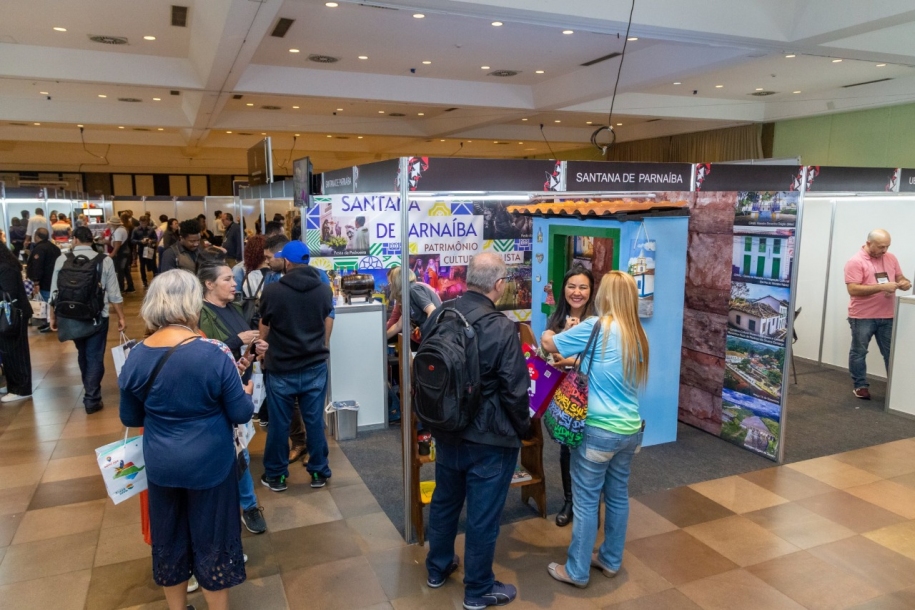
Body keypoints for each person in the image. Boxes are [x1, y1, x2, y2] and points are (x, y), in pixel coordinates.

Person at [119, 270, 252, 610]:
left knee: (170, 539)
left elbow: (130, 418)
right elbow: (240, 412)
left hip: (161, 464)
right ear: (192, 303)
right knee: (214, 540)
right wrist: (245, 391)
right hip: (211, 463)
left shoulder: (135, 354)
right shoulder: (214, 352)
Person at [424, 253, 530, 609]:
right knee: (483, 516)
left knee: (445, 502)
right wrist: (524, 429)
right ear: (499, 285)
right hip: (489, 437)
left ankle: (437, 568)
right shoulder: (501, 327)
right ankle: (478, 589)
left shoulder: (441, 313)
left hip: (446, 426)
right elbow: (515, 389)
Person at [541, 271, 649, 588]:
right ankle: (610, 560)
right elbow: (599, 367)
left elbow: (549, 342)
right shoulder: (638, 334)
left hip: (598, 430)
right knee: (617, 497)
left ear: (605, 295)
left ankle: (576, 571)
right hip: (631, 430)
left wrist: (563, 332)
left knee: (586, 502)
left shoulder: (595, 326)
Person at [197, 264, 269, 536]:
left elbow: (240, 346)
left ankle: (244, 505)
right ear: (209, 284)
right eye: (226, 279)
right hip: (219, 392)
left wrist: (255, 347)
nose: (233, 283)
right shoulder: (201, 314)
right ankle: (245, 506)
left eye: (232, 278)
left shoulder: (236, 308)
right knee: (239, 452)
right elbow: (205, 353)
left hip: (240, 385)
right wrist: (235, 338)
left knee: (241, 447)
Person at [258, 240, 333, 491]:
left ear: (287, 263)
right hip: (314, 366)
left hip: (281, 368)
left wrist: (260, 349)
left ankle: (277, 476)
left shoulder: (272, 291)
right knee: (314, 421)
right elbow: (325, 321)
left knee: (279, 424)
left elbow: (265, 325)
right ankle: (319, 473)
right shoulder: (324, 290)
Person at [48, 227, 126, 413]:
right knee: (94, 356)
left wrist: (52, 316)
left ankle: (90, 390)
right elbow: (114, 293)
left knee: (82, 353)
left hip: (70, 316)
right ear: (92, 240)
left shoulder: (62, 259)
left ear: (75, 239)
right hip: (97, 317)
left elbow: (53, 292)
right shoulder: (104, 260)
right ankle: (91, 398)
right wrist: (121, 317)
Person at [544, 266, 596, 527]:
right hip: (564, 394)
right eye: (571, 286)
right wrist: (562, 335)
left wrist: (567, 358)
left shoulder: (597, 321)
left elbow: (594, 360)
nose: (576, 292)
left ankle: (591, 503)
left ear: (591, 291)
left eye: (583, 287)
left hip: (590, 394)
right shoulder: (557, 319)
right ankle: (569, 500)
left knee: (588, 449)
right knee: (566, 447)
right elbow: (550, 356)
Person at [844, 229, 912, 399]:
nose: (884, 250)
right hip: (862, 316)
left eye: (887, 246)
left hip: (887, 315)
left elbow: (900, 276)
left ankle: (896, 386)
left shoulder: (891, 258)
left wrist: (904, 283)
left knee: (891, 353)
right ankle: (860, 386)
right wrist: (882, 287)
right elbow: (853, 289)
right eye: (881, 247)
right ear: (868, 243)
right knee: (859, 352)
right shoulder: (855, 261)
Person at [0, 241, 33, 403]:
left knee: (15, 352)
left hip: (13, 315)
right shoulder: (8, 264)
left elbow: (9, 295)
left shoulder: (5, 267)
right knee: (9, 351)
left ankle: (21, 388)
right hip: (12, 315)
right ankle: (14, 385)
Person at [385, 267, 442, 347]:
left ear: (396, 282)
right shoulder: (406, 295)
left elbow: (432, 311)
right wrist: (381, 339)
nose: (390, 287)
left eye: (390, 283)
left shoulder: (413, 289)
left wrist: (422, 330)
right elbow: (399, 325)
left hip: (435, 338)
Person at [25, 228, 61, 333]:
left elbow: (37, 266)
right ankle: (52, 322)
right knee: (53, 301)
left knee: (47, 303)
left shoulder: (39, 249)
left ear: (37, 236)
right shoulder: (54, 248)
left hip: (45, 281)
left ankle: (50, 323)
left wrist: (36, 281)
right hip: (55, 279)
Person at [109, 214, 136, 294]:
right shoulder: (122, 229)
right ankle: (130, 287)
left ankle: (121, 288)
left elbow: (117, 245)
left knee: (120, 271)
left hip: (121, 254)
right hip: (125, 252)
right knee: (126, 271)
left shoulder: (118, 231)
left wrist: (112, 255)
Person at [132, 215, 158, 288]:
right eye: (142, 223)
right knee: (142, 266)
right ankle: (144, 281)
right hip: (141, 249)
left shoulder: (151, 229)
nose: (143, 224)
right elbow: (132, 240)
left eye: (145, 223)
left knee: (153, 265)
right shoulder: (136, 230)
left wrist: (151, 240)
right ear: (139, 222)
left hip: (149, 248)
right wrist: (140, 241)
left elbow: (155, 239)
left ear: (147, 222)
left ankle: (155, 280)